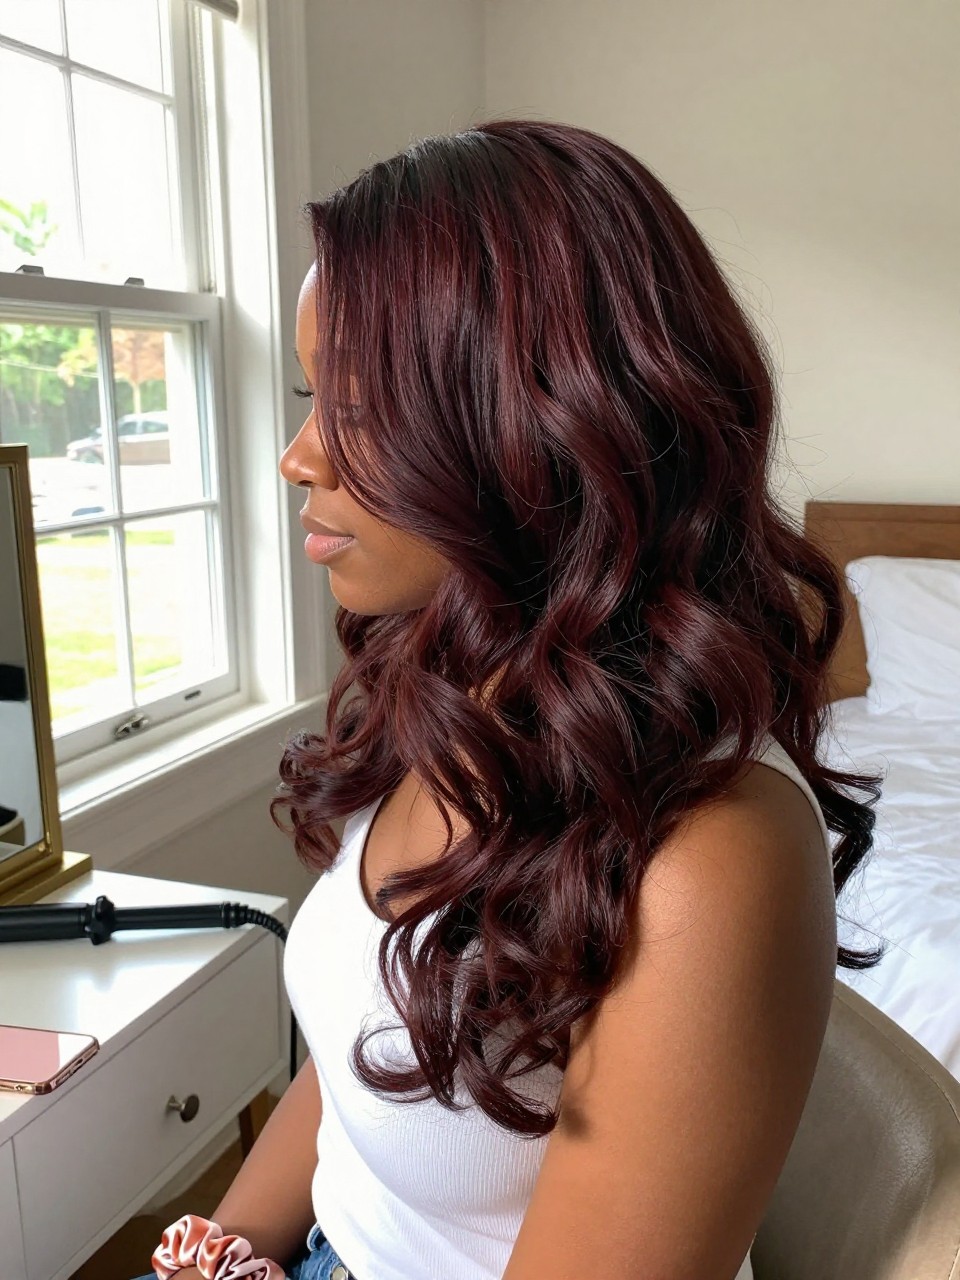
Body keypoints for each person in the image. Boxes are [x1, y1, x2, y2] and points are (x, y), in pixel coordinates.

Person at [134, 118, 883, 1280]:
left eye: (363, 402)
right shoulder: (442, 686)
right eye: (307, 391)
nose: (297, 454)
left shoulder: (707, 864)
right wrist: (217, 1251)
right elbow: (356, 1059)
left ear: (552, 422)